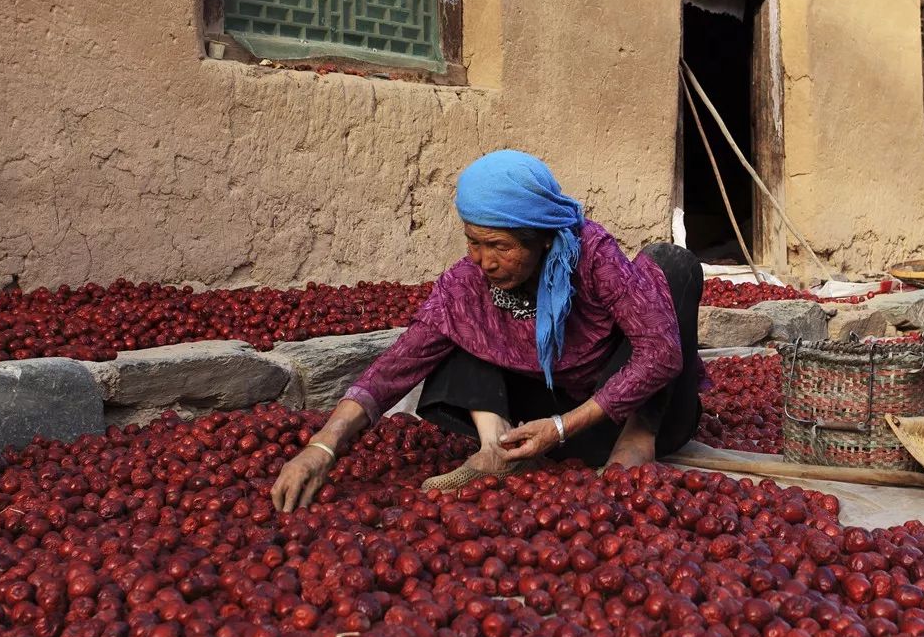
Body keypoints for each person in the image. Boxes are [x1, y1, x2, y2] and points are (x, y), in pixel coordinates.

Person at [271, 150, 706, 511]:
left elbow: (660, 353)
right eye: (473, 242)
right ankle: (496, 449)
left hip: (616, 416)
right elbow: (393, 369)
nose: (484, 261)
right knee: (455, 324)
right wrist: (323, 445)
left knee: (672, 265)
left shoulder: (594, 258)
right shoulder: (470, 283)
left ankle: (637, 437)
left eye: (500, 246)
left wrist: (561, 427)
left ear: (544, 239)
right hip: (531, 433)